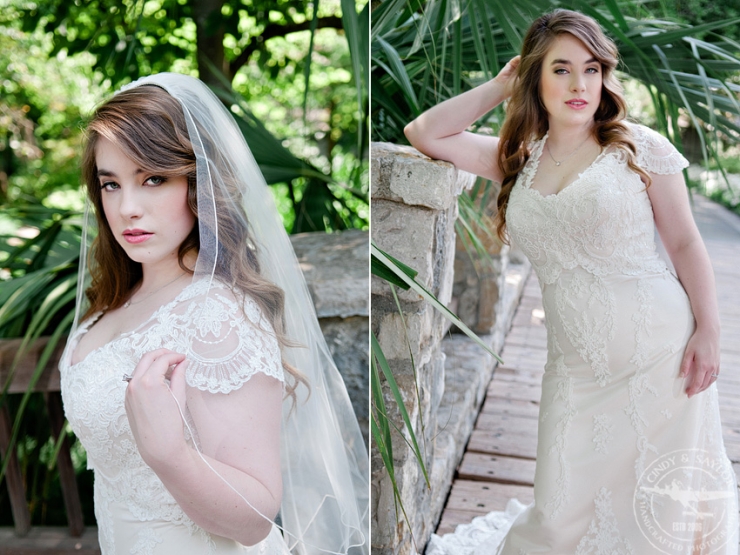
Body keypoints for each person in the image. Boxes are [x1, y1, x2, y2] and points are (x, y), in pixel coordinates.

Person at [405, 9, 738, 554]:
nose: (579, 84)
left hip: (659, 349)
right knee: (560, 509)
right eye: (560, 69)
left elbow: (685, 244)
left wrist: (711, 330)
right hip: (574, 365)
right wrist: (499, 84)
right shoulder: (518, 159)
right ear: (536, 76)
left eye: (591, 68)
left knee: (659, 502)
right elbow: (424, 132)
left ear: (605, 76)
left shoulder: (638, 146)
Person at [59, 73, 368, 555]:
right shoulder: (111, 303)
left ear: (198, 182)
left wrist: (170, 454)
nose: (127, 208)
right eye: (111, 185)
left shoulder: (216, 315)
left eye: (153, 179)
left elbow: (255, 519)